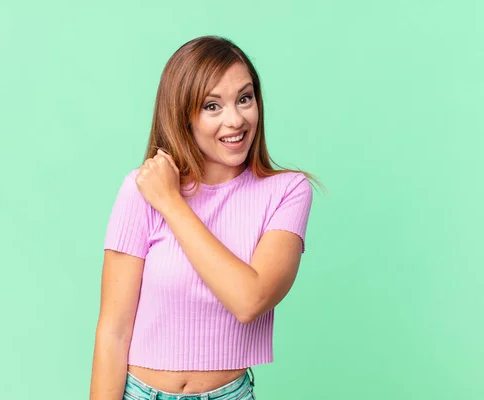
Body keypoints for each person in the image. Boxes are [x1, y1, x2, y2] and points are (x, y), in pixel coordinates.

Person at [90, 35, 322, 400]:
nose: (235, 120)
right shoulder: (140, 189)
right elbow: (113, 332)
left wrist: (172, 203)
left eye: (244, 99)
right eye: (212, 106)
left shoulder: (288, 192)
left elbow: (250, 300)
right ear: (183, 115)